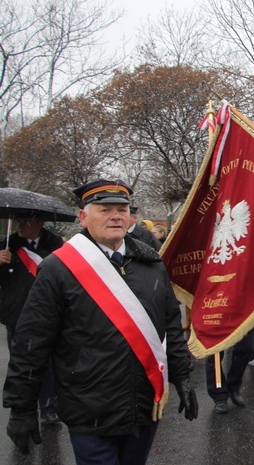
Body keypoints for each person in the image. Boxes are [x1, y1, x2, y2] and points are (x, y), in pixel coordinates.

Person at [3, 179, 197, 462]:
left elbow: (169, 325)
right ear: (84, 217)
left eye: (122, 209)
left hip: (144, 405)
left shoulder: (151, 263)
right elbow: (31, 342)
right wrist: (21, 407)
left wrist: (182, 377)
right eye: (105, 209)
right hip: (89, 409)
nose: (116, 216)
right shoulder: (59, 268)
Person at [0, 213, 64, 425]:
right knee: (20, 365)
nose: (21, 225)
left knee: (48, 366)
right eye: (19, 221)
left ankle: (49, 406)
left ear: (40, 223)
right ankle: (23, 409)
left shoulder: (56, 246)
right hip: (17, 315)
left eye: (27, 221)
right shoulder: (7, 245)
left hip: (48, 316)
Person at [206, 329, 254, 414]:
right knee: (214, 354)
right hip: (216, 318)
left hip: (240, 316)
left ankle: (234, 385)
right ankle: (219, 394)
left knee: (247, 347)